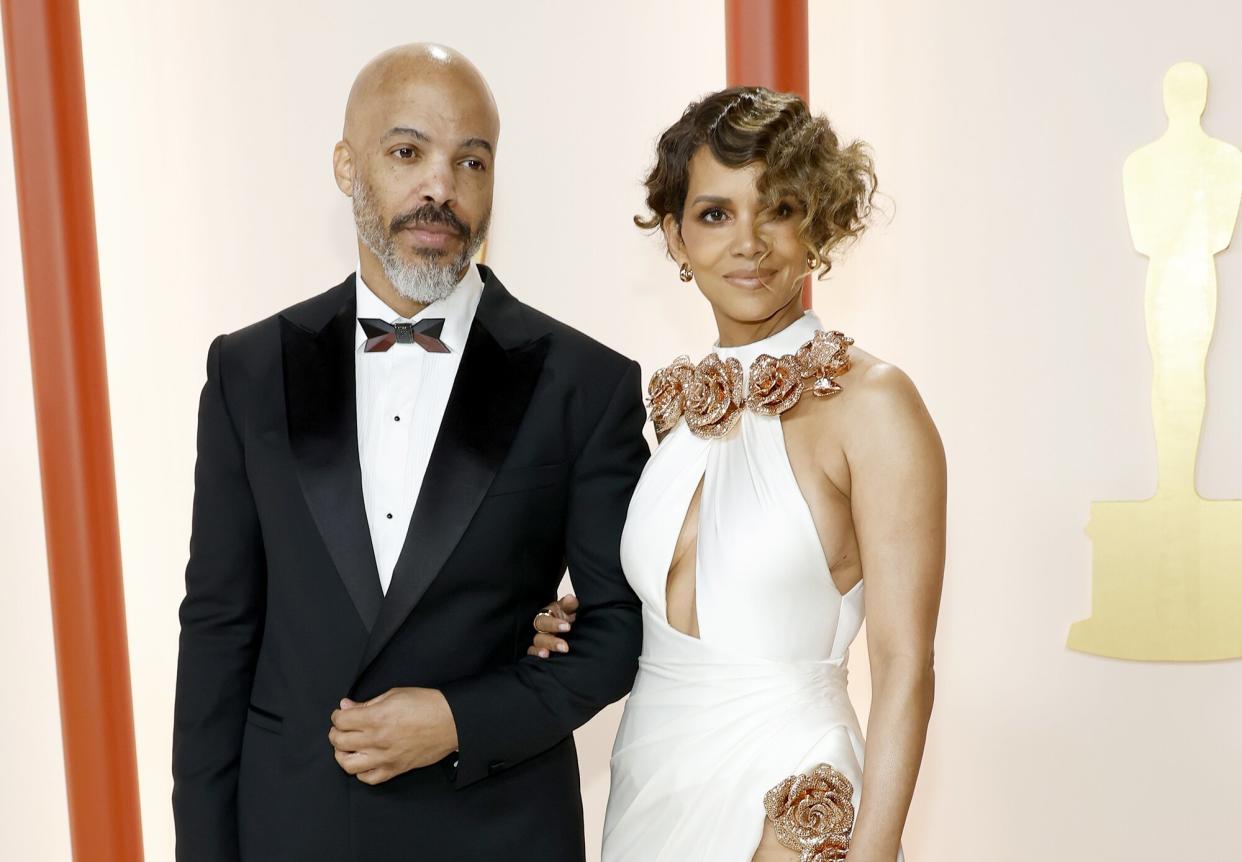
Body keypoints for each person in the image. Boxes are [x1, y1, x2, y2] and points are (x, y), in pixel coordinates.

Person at [172, 43, 647, 861]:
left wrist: (463, 721)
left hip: (498, 830)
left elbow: (621, 629)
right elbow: (218, 632)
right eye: (406, 152)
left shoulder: (586, 382)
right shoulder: (247, 370)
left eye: (471, 161)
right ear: (346, 166)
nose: (441, 187)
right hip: (292, 829)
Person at [530, 87, 946, 861]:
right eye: (716, 214)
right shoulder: (677, 411)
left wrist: (877, 849)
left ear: (817, 222)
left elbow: (904, 666)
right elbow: (700, 594)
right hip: (651, 782)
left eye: (779, 208)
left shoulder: (874, 403)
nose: (749, 241)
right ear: (676, 237)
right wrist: (581, 614)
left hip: (788, 788)